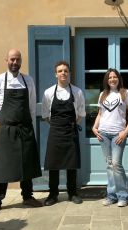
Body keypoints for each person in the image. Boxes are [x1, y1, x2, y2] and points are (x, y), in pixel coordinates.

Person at [0, 49, 42, 215]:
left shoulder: (28, 80)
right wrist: (2, 120)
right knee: (3, 165)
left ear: (21, 61)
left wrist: (27, 123)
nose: (15, 63)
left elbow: (32, 105)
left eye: (17, 60)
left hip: (25, 128)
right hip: (7, 129)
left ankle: (27, 196)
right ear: (6, 60)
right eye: (12, 59)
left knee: (27, 163)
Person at [41, 61, 86, 206]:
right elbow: (46, 115)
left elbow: (80, 114)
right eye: (60, 71)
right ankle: (52, 194)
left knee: (71, 164)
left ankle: (72, 193)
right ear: (56, 74)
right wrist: (57, 126)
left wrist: (70, 125)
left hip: (71, 132)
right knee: (53, 164)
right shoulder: (48, 93)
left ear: (69, 74)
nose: (63, 73)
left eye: (66, 71)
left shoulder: (77, 92)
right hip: (55, 132)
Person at [92, 68, 128, 207]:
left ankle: (124, 195)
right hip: (103, 134)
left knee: (116, 164)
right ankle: (111, 195)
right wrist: (94, 127)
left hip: (118, 134)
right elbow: (100, 114)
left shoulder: (125, 93)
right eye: (110, 77)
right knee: (109, 165)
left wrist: (125, 132)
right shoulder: (102, 95)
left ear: (119, 79)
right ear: (106, 80)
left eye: (115, 77)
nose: (112, 79)